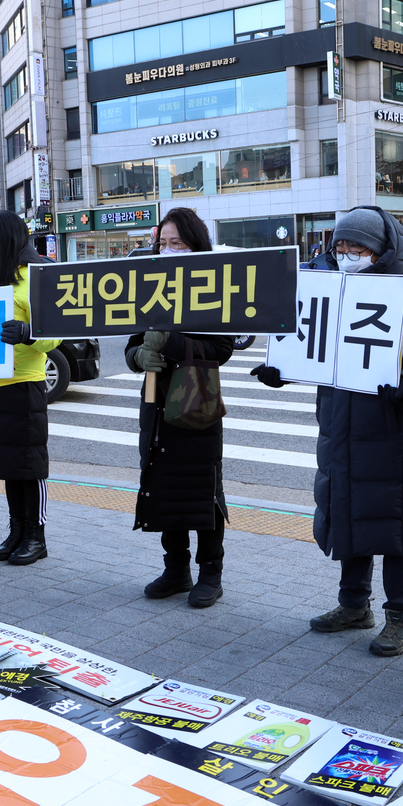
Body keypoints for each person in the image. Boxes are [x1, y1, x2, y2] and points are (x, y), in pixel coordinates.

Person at [250, 207, 403, 655]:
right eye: (341, 246)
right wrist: (281, 370)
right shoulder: (324, 292)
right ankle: (354, 605)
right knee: (348, 510)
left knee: (395, 525)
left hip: (388, 427)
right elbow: (307, 346)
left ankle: (402, 618)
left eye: (358, 247)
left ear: (382, 250)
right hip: (337, 423)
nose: (347, 253)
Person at [126, 208, 235, 608]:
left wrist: (171, 344)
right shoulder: (149, 285)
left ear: (197, 246)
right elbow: (131, 345)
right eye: (163, 243)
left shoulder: (214, 287)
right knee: (163, 483)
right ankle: (176, 569)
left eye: (178, 244)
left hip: (197, 400)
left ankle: (211, 573)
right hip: (155, 400)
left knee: (201, 486)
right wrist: (139, 356)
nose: (168, 250)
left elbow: (221, 350)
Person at [0, 210, 61, 565]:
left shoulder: (33, 278)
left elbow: (56, 336)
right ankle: (16, 530)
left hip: (24, 385)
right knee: (9, 464)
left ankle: (36, 536)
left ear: (10, 238)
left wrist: (28, 334)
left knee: (30, 465)